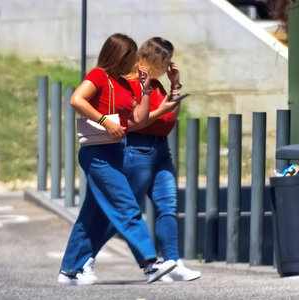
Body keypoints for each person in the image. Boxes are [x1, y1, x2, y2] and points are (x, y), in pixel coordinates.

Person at [58, 33, 176, 286]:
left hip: (116, 151)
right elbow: (76, 99)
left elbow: (139, 120)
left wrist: (145, 91)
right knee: (127, 207)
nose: (133, 62)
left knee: (92, 215)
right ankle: (149, 263)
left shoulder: (122, 83)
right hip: (97, 152)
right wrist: (103, 121)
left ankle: (68, 270)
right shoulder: (99, 75)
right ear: (118, 56)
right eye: (129, 57)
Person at [87, 37, 201, 282]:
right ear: (156, 58)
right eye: (166, 60)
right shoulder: (133, 82)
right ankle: (86, 257)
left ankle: (173, 262)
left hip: (161, 150)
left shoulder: (157, 84)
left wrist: (175, 87)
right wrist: (162, 108)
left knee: (167, 205)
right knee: (126, 212)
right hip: (138, 151)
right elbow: (138, 121)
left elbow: (170, 119)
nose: (169, 65)